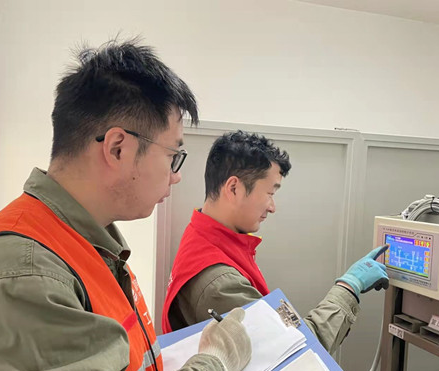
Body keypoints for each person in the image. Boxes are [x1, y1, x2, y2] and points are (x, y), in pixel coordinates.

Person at [0, 39, 252, 371]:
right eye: (172, 156)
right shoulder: (19, 280)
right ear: (117, 148)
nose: (176, 175)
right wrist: (213, 364)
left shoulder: (86, 246)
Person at [162, 130, 389, 354]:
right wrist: (349, 287)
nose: (272, 207)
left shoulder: (201, 236)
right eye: (270, 193)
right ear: (234, 188)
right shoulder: (219, 283)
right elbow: (296, 350)